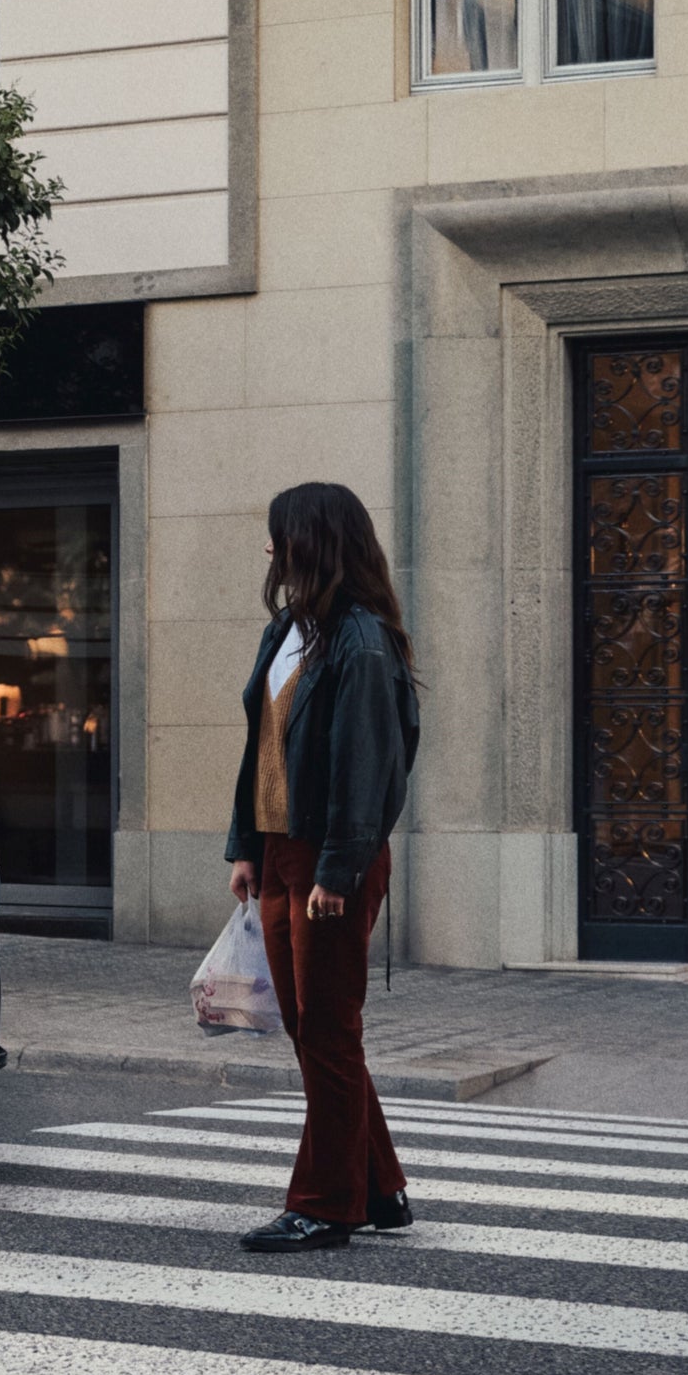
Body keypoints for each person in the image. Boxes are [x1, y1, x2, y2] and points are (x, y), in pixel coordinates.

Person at [221, 483, 420, 1252]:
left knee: (330, 1031)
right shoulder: (287, 632)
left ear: (313, 542)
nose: (268, 550)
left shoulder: (361, 640)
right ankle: (380, 1187)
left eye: (279, 536)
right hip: (281, 850)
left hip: (334, 856)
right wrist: (248, 845)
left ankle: (325, 1205)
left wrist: (337, 871)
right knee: (311, 1030)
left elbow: (368, 769)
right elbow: (260, 749)